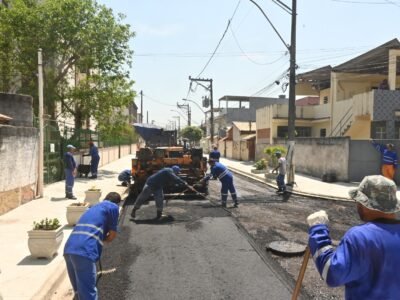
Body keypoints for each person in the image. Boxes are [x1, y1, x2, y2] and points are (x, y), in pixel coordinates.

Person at [307, 175, 400, 299]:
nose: (358, 205)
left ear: (366, 204)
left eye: (359, 201)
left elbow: (331, 273)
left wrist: (318, 229)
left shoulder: (360, 237)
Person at [64, 192, 121, 300]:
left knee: (79, 290)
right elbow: (112, 235)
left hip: (69, 248)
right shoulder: (113, 207)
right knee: (88, 293)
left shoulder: (92, 208)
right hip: (84, 250)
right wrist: (102, 238)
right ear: (117, 203)